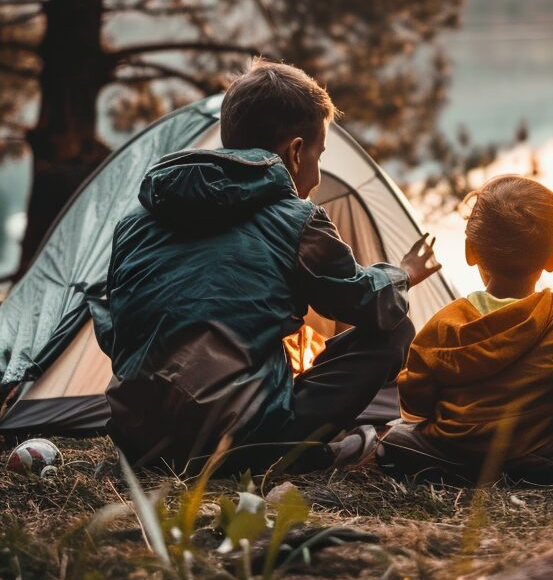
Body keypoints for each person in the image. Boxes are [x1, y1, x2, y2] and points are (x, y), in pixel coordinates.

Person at [92, 59, 439, 473]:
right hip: (234, 443)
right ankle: (288, 452)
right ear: (295, 152)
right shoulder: (297, 220)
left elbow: (115, 325)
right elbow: (365, 302)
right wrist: (404, 275)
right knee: (393, 330)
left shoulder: (134, 220)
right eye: (319, 155)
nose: (316, 175)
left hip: (139, 440)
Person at [377, 176, 553, 483]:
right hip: (534, 458)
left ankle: (462, 469)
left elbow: (415, 403)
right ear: (552, 258)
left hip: (454, 452)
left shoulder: (444, 325)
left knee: (394, 439)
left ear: (471, 251)